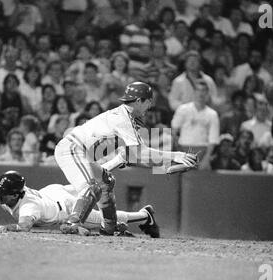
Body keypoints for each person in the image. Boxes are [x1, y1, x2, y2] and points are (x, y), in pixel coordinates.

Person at [54, 81, 197, 236]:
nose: (150, 106)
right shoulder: (123, 119)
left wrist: (166, 165)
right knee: (91, 188)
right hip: (71, 150)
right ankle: (72, 223)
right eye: (148, 101)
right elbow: (141, 153)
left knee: (106, 181)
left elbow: (132, 155)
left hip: (83, 155)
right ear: (138, 101)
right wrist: (176, 155)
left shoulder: (126, 117)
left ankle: (109, 227)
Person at [0, 171, 159, 237]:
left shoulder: (28, 206)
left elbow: (24, 226)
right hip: (51, 193)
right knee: (89, 185)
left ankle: (144, 215)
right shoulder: (3, 192)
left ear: (13, 195)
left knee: (104, 220)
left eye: (3, 193)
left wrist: (6, 228)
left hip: (66, 206)